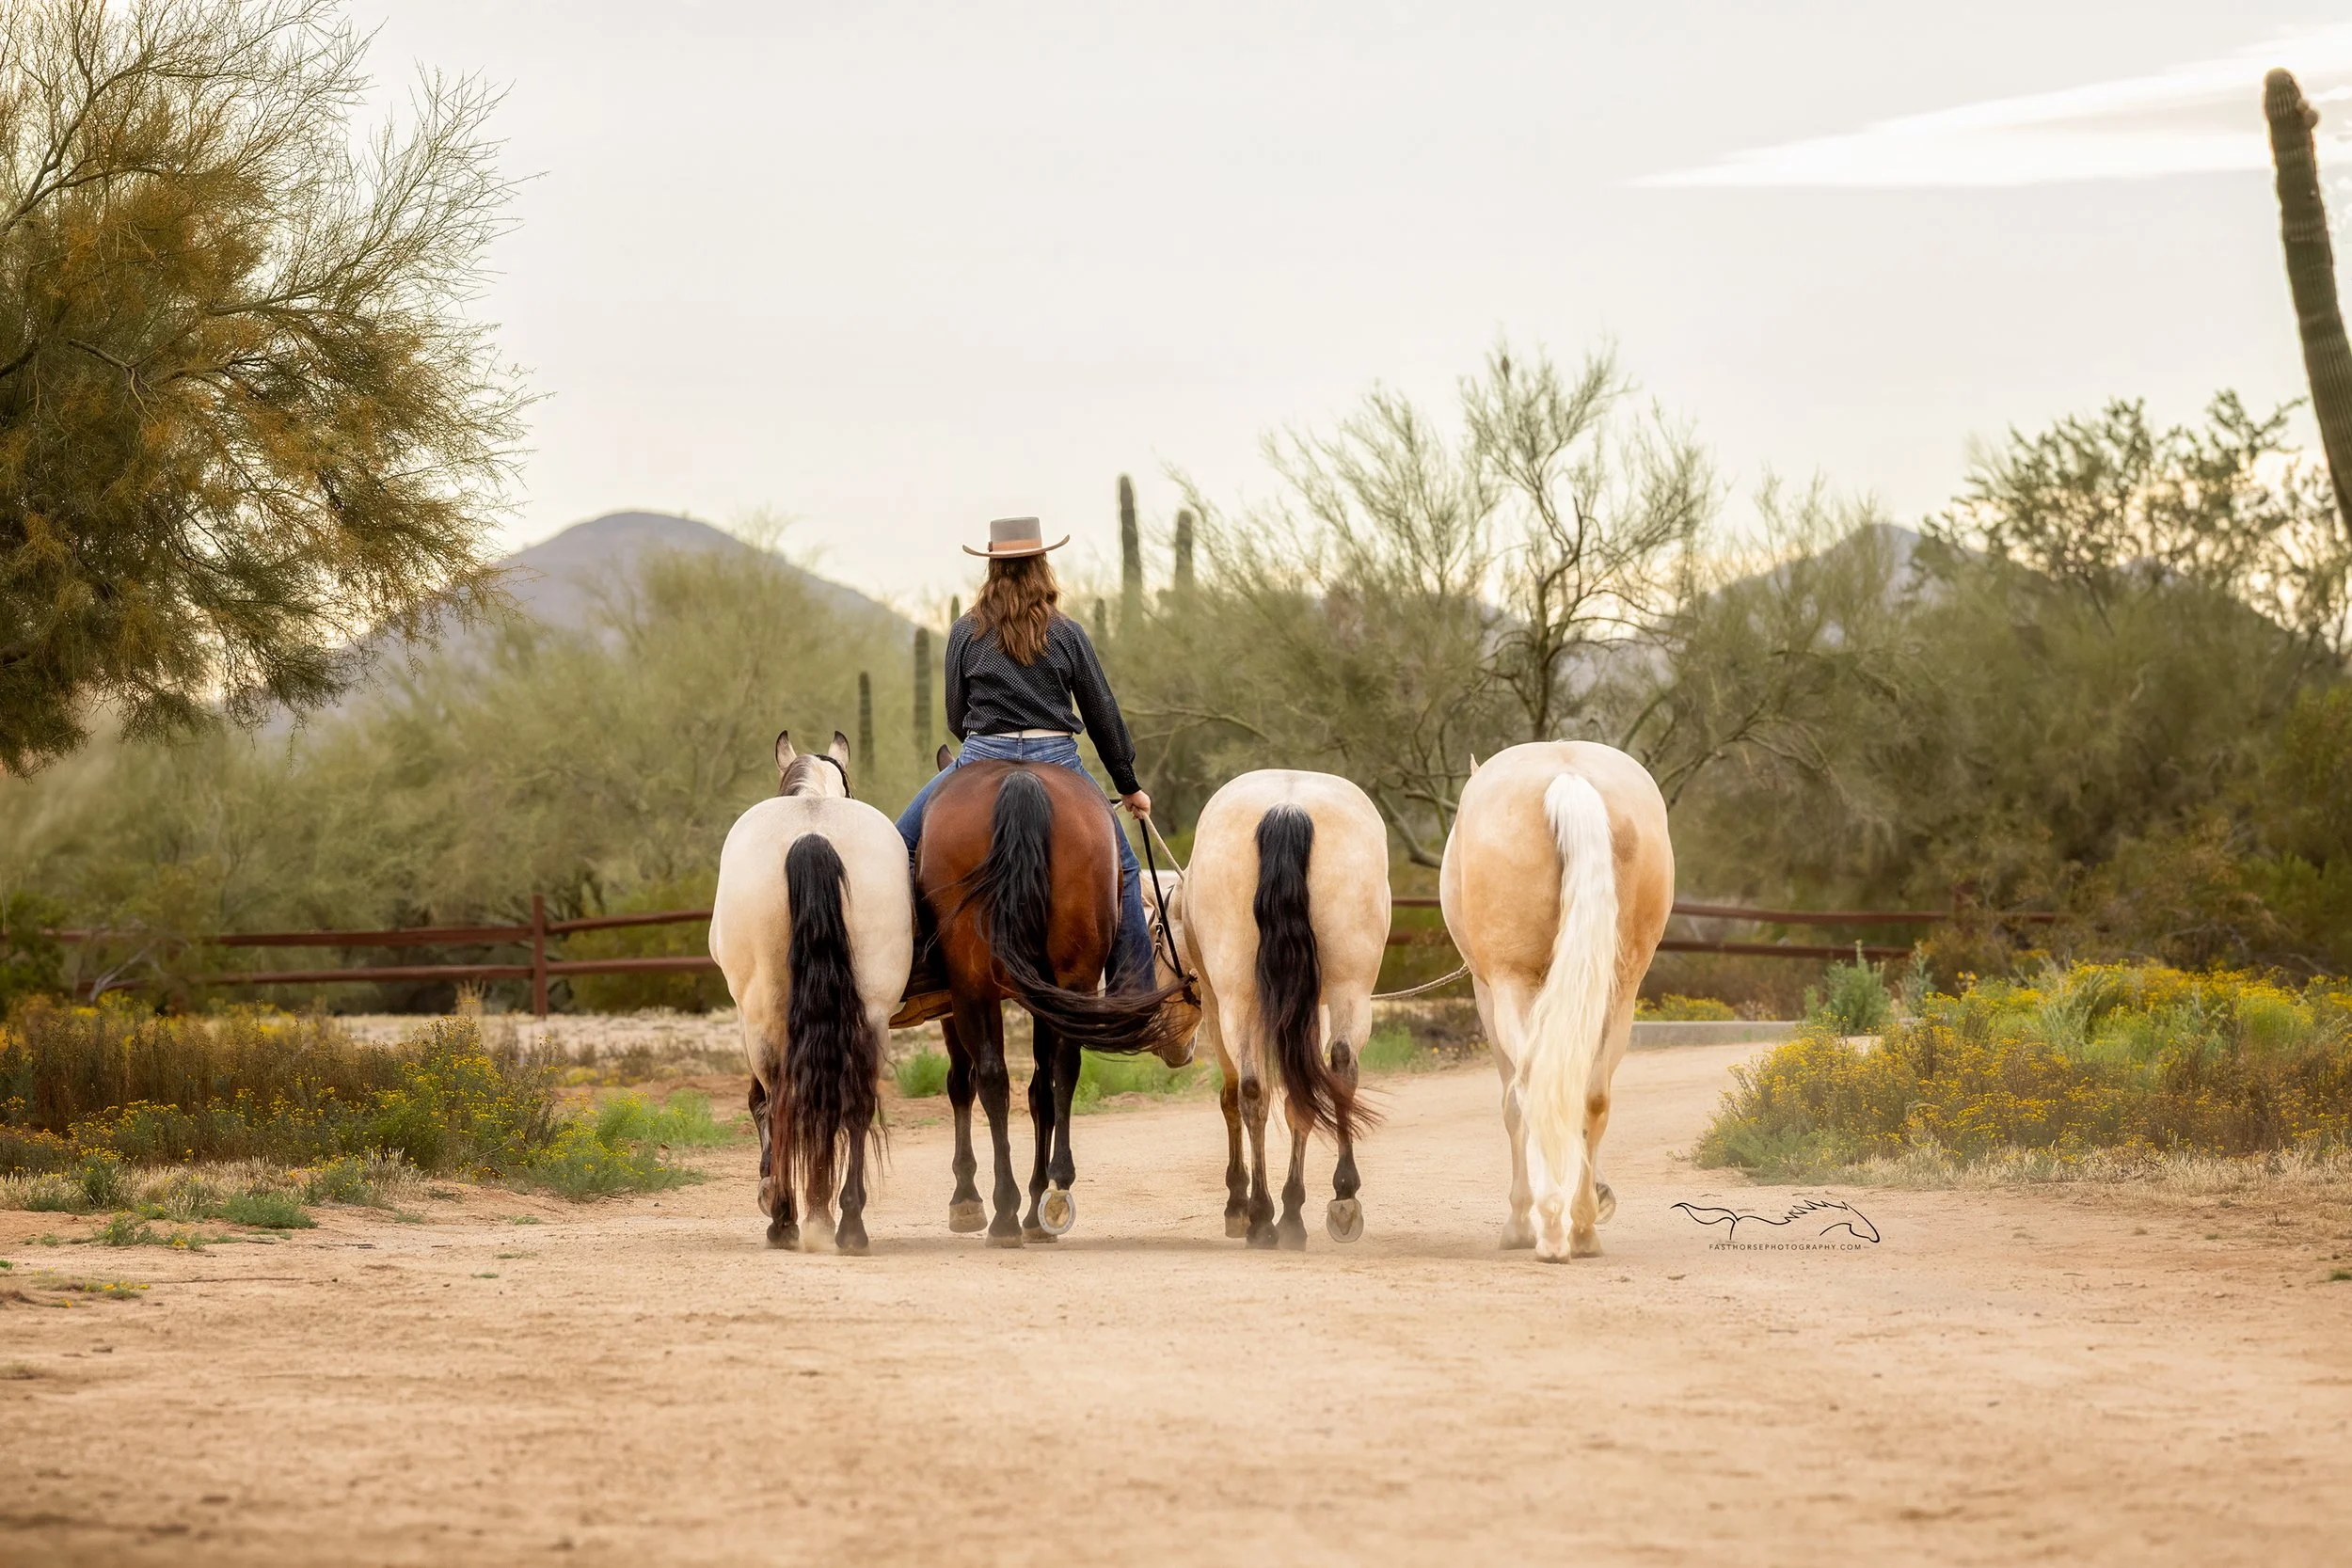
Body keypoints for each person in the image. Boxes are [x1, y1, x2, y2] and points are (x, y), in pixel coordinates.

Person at [897, 516, 1155, 988]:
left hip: (980, 754)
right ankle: (1132, 990)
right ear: (1041, 565)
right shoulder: (1067, 632)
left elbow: (956, 717)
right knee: (1125, 868)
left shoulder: (964, 633)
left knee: (900, 846)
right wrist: (1128, 786)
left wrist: (983, 740)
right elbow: (1101, 713)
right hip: (1056, 755)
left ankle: (915, 964)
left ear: (993, 568)